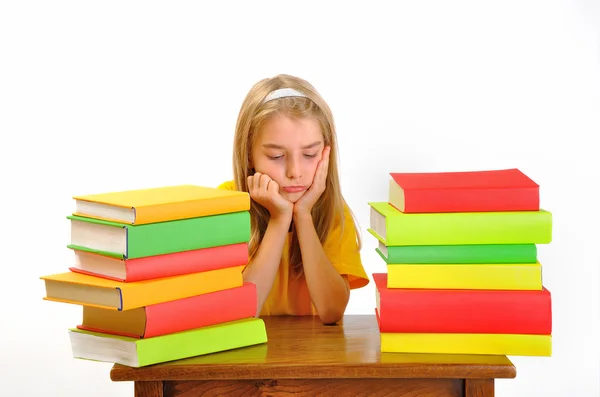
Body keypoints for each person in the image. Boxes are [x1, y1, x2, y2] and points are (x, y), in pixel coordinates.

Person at [218, 74, 369, 325]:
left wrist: (303, 215)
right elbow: (241, 312)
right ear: (248, 156)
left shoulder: (332, 210)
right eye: (277, 156)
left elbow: (331, 311)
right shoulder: (225, 206)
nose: (295, 172)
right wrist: (279, 219)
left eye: (310, 154)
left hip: (309, 358)